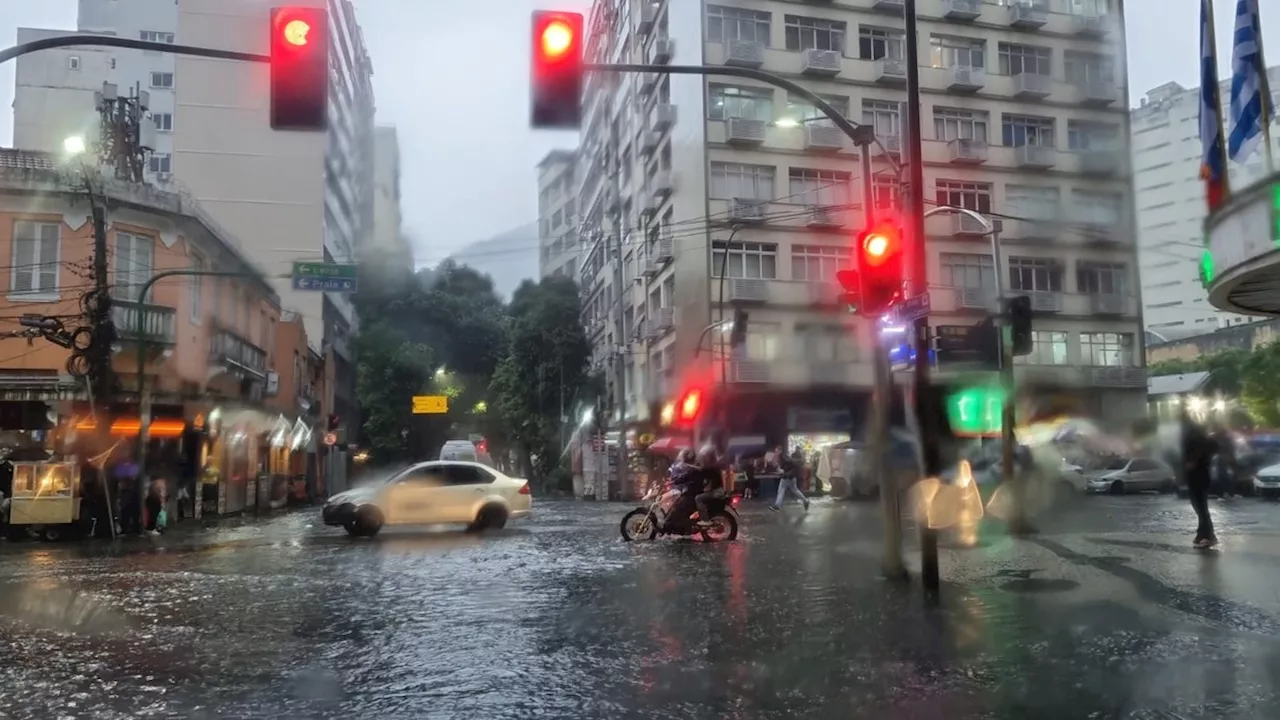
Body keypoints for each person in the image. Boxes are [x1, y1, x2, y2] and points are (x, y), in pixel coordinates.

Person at [1181, 411, 1217, 548]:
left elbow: (1198, 455)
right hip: (1196, 475)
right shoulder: (1200, 440)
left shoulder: (1198, 441)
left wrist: (1192, 461)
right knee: (1199, 506)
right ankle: (1202, 534)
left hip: (1199, 476)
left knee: (1200, 506)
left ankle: (1207, 535)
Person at [770, 445, 809, 512]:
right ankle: (805, 500)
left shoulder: (784, 457)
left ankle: (777, 506)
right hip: (791, 477)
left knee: (781, 491)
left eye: (777, 451)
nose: (776, 453)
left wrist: (783, 471)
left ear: (780, 451)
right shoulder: (784, 456)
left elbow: (789, 466)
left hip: (787, 476)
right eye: (775, 451)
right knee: (795, 490)